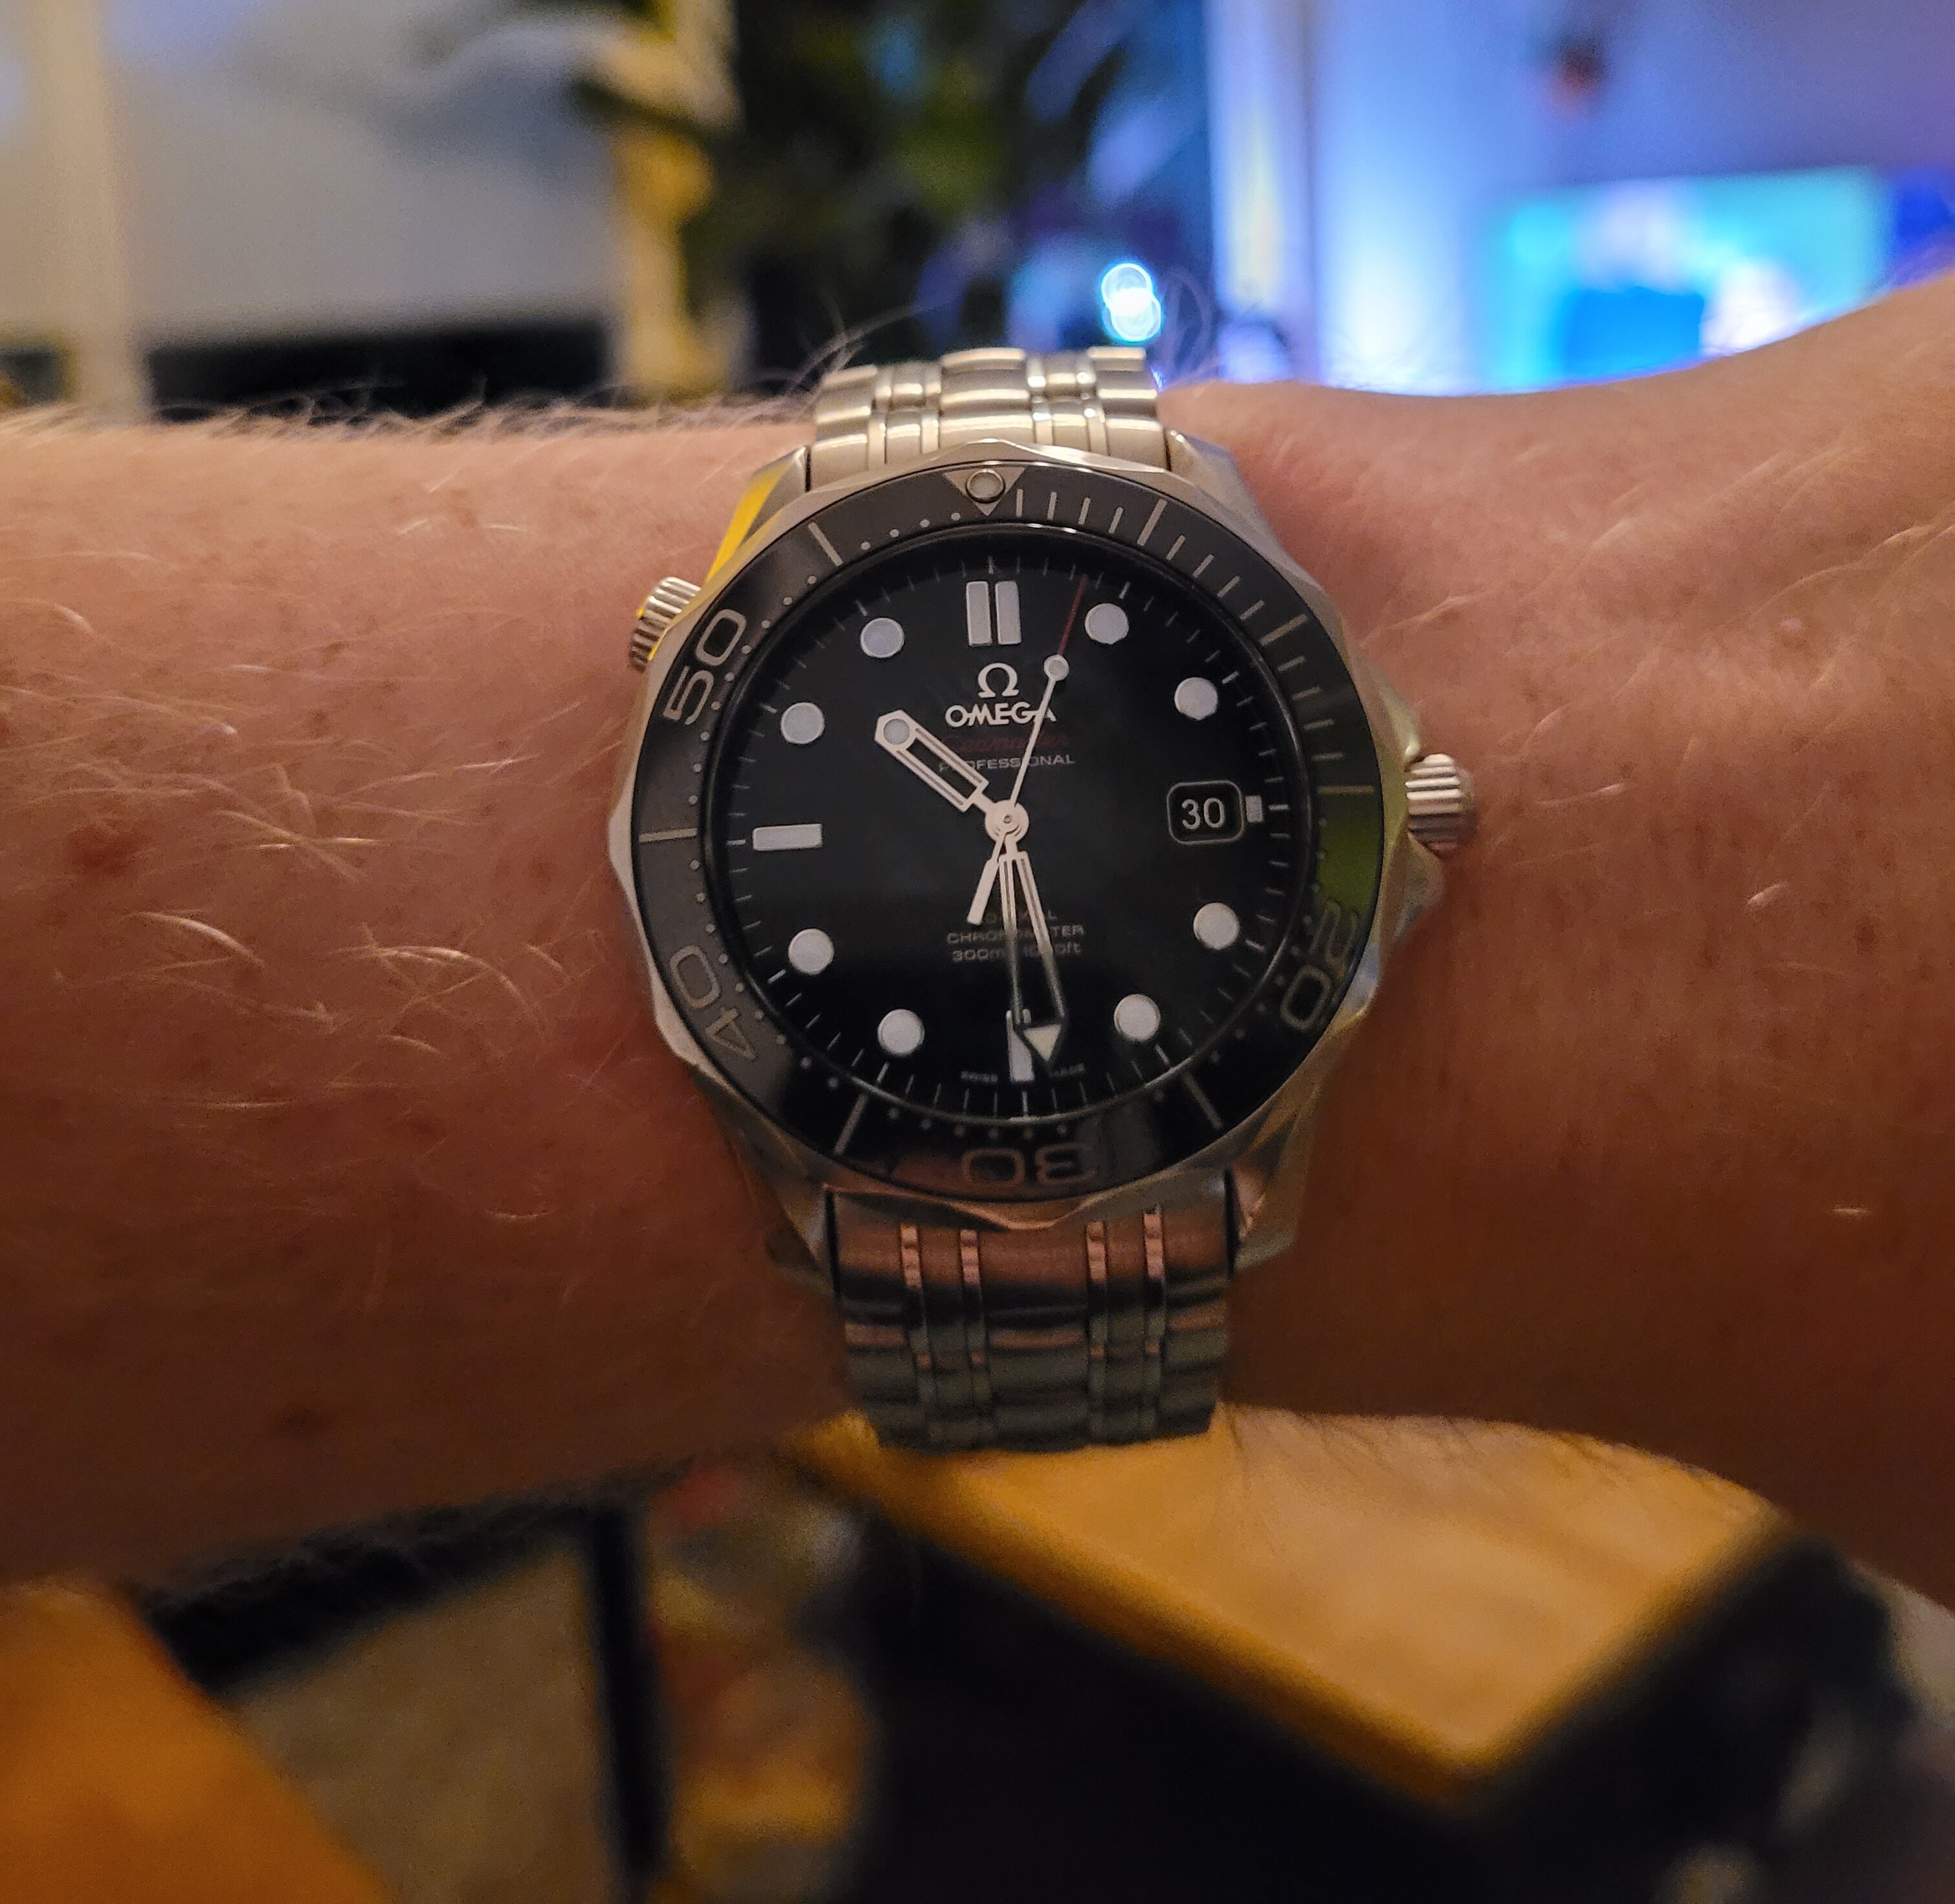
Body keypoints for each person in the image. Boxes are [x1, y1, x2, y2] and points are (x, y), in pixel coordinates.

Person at [4, 275, 1951, 1596]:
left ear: (1401, 814)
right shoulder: (755, 794)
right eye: (987, 805)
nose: (1011, 819)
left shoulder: (1339, 825)